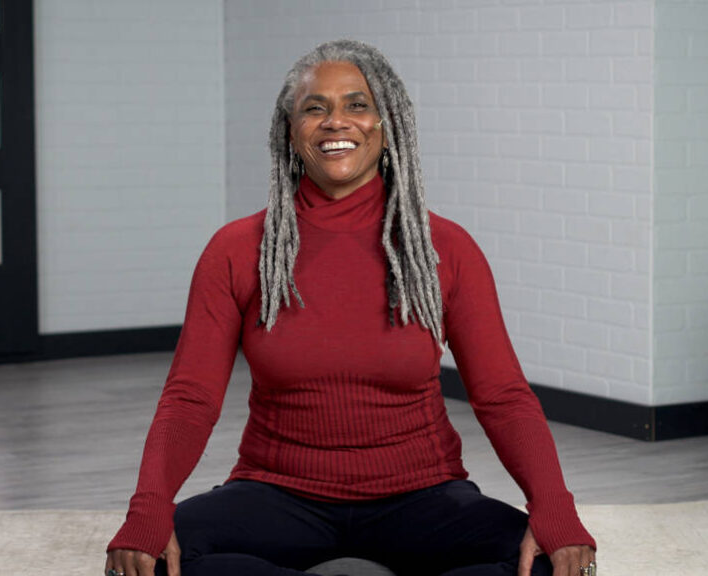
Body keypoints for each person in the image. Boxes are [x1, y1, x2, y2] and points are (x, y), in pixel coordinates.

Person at [105, 39, 597, 576]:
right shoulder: (237, 249)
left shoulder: (444, 248)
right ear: (290, 133)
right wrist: (148, 507)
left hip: (423, 494)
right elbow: (190, 398)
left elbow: (503, 397)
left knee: (553, 565)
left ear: (386, 127)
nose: (335, 122)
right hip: (278, 492)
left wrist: (555, 508)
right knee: (144, 564)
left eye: (357, 105)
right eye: (315, 108)